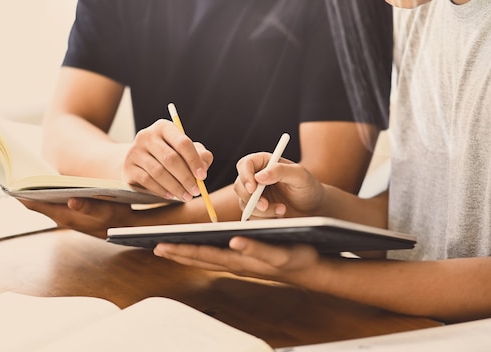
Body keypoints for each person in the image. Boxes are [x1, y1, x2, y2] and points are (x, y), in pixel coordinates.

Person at [153, 0, 491, 324]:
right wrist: (317, 204)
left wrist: (317, 272)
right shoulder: (418, 15)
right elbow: (425, 223)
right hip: (416, 324)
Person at [21, 0, 393, 237]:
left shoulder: (351, 7)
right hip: (146, 256)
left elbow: (327, 182)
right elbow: (65, 124)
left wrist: (137, 228)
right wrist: (131, 163)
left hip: (277, 272)